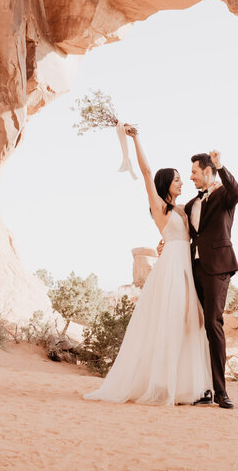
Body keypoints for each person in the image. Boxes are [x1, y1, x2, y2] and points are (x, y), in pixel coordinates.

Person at [83, 124, 212, 406]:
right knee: (168, 323)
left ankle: (185, 386)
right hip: (170, 273)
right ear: (166, 183)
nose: (181, 182)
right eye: (176, 179)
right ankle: (161, 385)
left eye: (182, 178)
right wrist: (135, 139)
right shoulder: (159, 207)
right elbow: (145, 172)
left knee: (188, 324)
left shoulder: (184, 208)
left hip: (186, 268)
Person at [185, 149, 238, 409]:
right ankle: (197, 386)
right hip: (192, 267)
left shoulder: (224, 196)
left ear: (208, 171)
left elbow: (237, 192)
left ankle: (221, 391)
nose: (191, 177)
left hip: (217, 268)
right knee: (191, 323)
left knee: (212, 323)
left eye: (195, 172)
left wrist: (222, 166)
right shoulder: (190, 205)